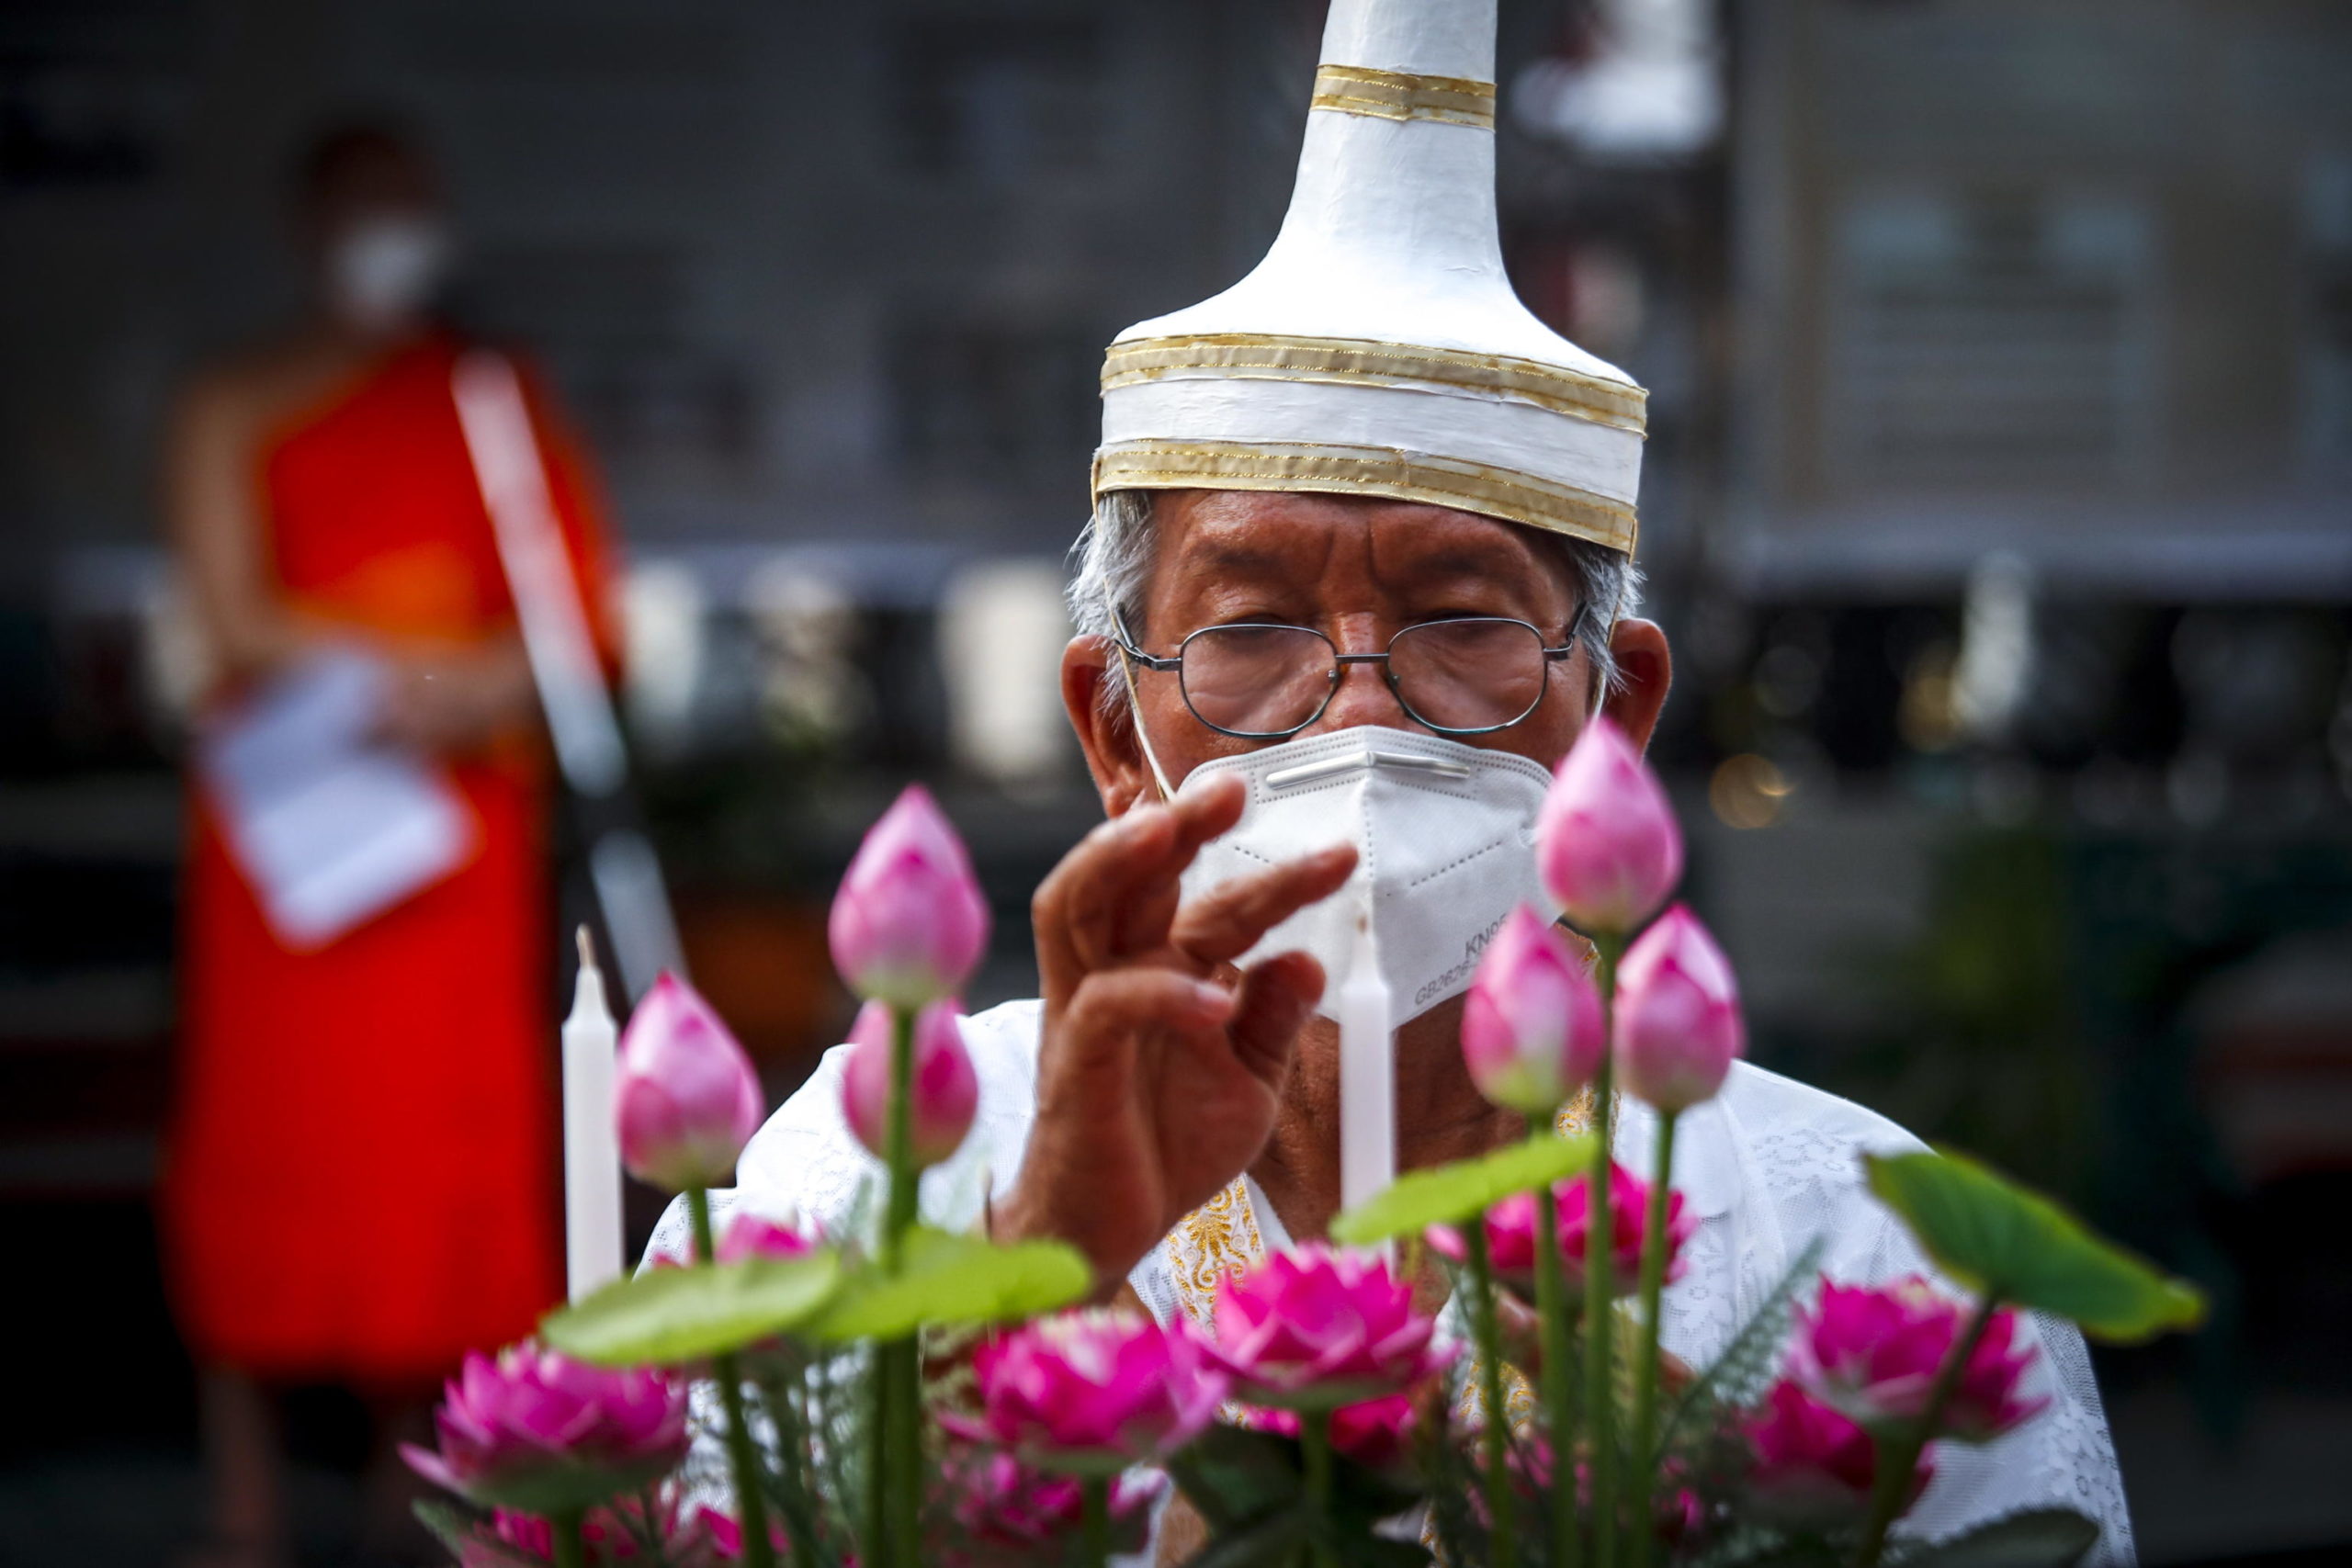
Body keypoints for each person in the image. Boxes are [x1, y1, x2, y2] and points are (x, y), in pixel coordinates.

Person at [656, 0, 2132, 1559]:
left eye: (1461, 622)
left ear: (1614, 720)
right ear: (1111, 734)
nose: (1360, 714)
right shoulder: (904, 1163)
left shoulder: (1874, 1250)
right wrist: (1047, 1265)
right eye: (1252, 631)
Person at [162, 123, 617, 1568]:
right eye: (367, 207)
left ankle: (409, 1484)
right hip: (295, 840)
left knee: (439, 1163)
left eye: (412, 204)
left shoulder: (490, 396)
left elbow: (576, 623)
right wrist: (405, 668)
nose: (393, 231)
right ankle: (244, 1509)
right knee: (268, 1148)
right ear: (311, 223)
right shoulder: (232, 402)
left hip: (453, 832)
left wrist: (467, 684)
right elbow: (233, 617)